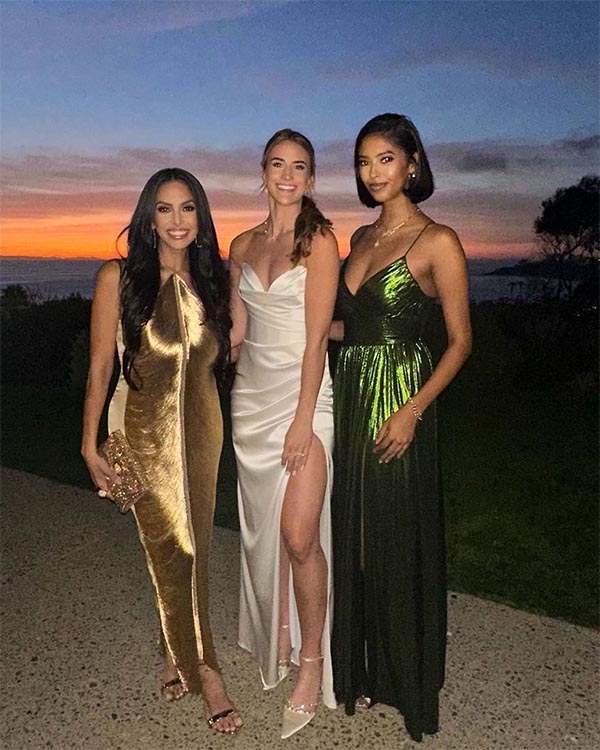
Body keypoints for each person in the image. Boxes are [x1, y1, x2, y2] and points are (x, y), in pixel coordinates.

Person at [81, 168, 242, 735]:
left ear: (201, 217)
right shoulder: (119, 277)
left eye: (188, 208)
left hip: (203, 429)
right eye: (165, 209)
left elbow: (226, 353)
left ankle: (176, 651)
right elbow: (101, 365)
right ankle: (207, 671)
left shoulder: (213, 280)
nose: (177, 220)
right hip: (141, 431)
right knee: (173, 544)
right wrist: (89, 442)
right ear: (149, 217)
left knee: (193, 544)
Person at [330, 113, 472, 742]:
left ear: (413, 164)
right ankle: (365, 670)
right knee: (357, 536)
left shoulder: (438, 240)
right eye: (364, 162)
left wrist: (413, 411)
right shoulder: (359, 237)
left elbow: (461, 342)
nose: (373, 172)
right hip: (351, 396)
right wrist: (289, 334)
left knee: (398, 534)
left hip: (400, 402)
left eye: (385, 159)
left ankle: (409, 682)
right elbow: (351, 329)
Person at [229, 129, 339, 739]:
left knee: (300, 534)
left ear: (311, 178)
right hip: (250, 400)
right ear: (263, 172)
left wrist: (301, 420)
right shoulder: (241, 245)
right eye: (278, 164)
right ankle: (278, 632)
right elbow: (238, 329)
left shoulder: (320, 241)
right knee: (267, 531)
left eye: (300, 167)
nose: (288, 176)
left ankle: (312, 661)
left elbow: (317, 338)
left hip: (305, 398)